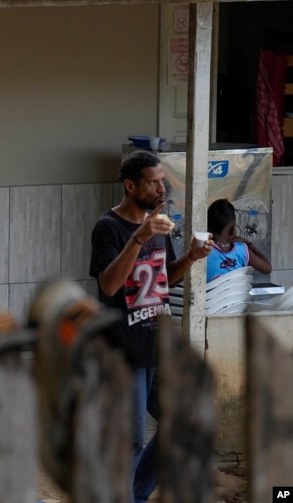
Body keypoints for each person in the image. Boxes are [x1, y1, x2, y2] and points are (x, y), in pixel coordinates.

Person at [89, 150, 212, 503]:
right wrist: (138, 238)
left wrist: (189, 257)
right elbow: (109, 285)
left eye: (163, 181)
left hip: (157, 345)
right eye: (153, 182)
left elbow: (162, 279)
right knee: (132, 440)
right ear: (130, 186)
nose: (163, 188)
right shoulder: (109, 228)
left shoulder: (157, 223)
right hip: (123, 351)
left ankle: (136, 494)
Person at [206, 198, 272, 282]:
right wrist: (248, 243)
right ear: (232, 229)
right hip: (236, 295)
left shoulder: (203, 251)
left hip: (211, 295)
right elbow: (267, 268)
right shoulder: (242, 250)